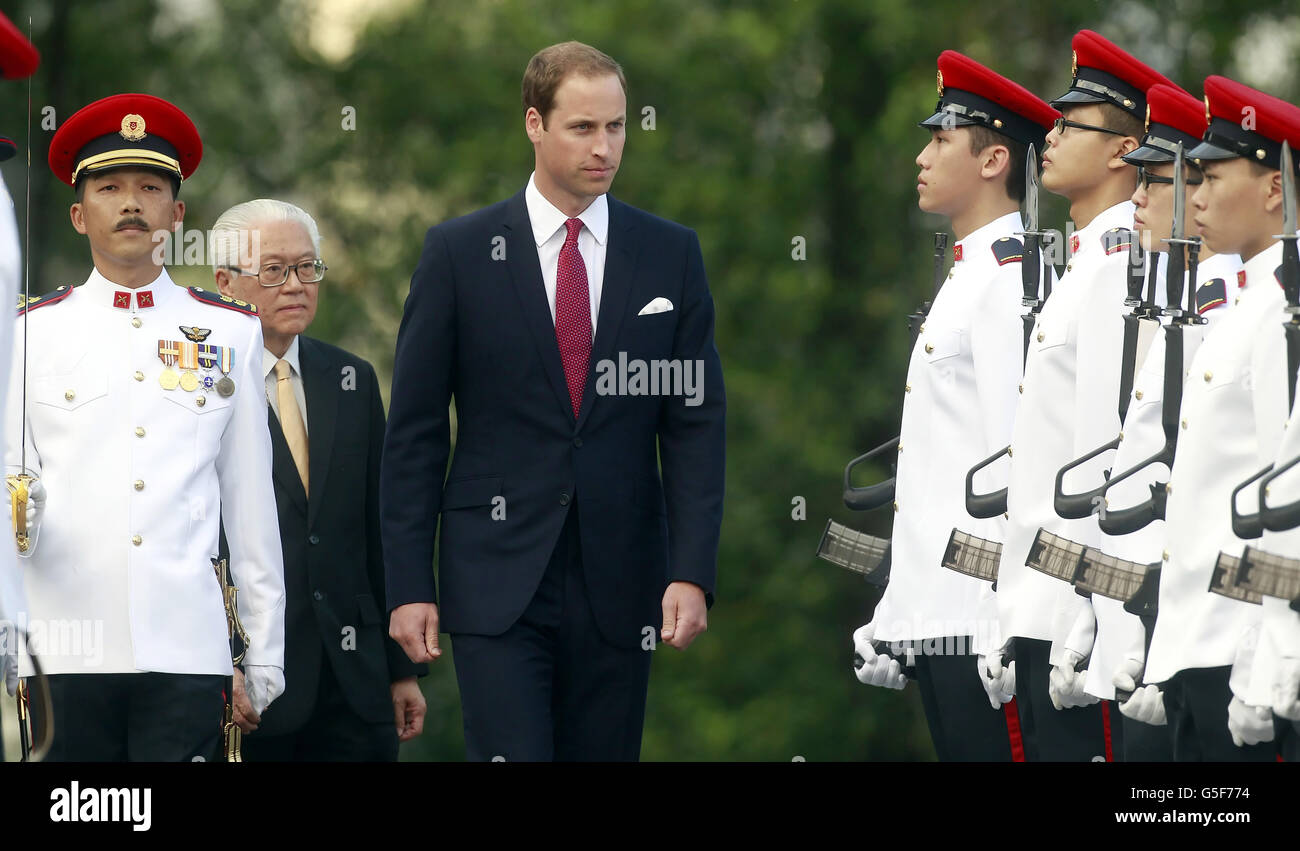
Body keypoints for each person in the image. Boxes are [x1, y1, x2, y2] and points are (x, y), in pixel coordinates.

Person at [381, 41, 726, 761]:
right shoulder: (458, 253)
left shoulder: (670, 255)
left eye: (617, 127)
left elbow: (694, 425)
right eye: (583, 128)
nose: (605, 147)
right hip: (494, 578)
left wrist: (690, 570)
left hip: (623, 580)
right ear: (534, 124)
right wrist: (409, 583)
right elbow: (415, 433)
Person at [4, 93, 285, 761]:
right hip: (65, 645)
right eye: (109, 187)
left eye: (150, 187)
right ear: (79, 214)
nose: (131, 203)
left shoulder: (231, 333)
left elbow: (251, 508)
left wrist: (264, 657)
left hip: (185, 648)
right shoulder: (28, 333)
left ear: (176, 214)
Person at [850, 50, 1057, 761]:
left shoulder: (1006, 280)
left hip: (979, 622)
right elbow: (940, 472)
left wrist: (1005, 614)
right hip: (940, 612)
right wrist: (898, 608)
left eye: (940, 140)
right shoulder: (969, 273)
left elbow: (1013, 465)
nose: (922, 156)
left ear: (995, 158)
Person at [986, 30, 1173, 761]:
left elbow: (1103, 458)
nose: (1052, 136)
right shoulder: (1087, 260)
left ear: (1124, 151)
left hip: (1071, 609)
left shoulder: (1116, 265)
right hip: (1039, 596)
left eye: (1072, 126)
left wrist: (1085, 615)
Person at [210, 199, 427, 759]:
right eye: (275, 270)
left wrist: (400, 669)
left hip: (356, 684)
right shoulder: (200, 385)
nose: (296, 285)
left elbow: (380, 526)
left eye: (308, 268)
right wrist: (216, 664)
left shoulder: (350, 378)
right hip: (251, 684)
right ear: (224, 281)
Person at [1143, 75, 1300, 760]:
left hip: (1240, 662)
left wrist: (1274, 666)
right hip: (1196, 649)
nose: (1195, 197)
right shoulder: (1252, 300)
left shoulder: (1285, 309)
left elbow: (1287, 500)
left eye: (1212, 175)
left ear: (1274, 188)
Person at [1083, 82, 1241, 762]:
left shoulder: (1237, 305)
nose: (1136, 197)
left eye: (1159, 178)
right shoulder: (1173, 298)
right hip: (1146, 622)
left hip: (1207, 632)